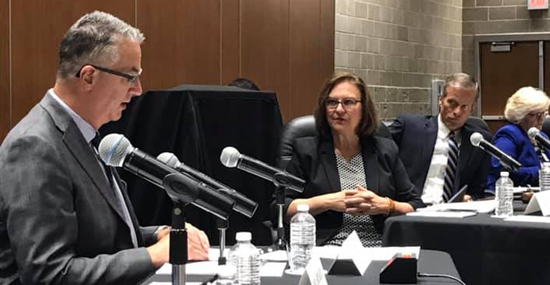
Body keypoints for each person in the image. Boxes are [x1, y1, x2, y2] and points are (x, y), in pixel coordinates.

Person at [0, 11, 209, 285]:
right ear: (88, 76)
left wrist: (160, 234)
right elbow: (49, 274)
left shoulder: (82, 135)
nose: (137, 90)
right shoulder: (35, 146)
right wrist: (153, 256)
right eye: (130, 77)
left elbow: (98, 238)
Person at [280, 72, 423, 247]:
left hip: (379, 247)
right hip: (327, 248)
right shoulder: (307, 151)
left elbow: (416, 205)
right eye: (332, 102)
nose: (339, 109)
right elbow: (281, 209)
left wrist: (386, 205)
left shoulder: (385, 150)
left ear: (364, 109)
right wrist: (329, 202)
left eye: (348, 102)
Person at [389, 73, 492, 205]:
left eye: (464, 107)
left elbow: (477, 189)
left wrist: (470, 198)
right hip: (412, 209)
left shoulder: (479, 141)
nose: (457, 112)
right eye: (452, 103)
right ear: (440, 100)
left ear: (472, 108)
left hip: (453, 215)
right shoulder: (409, 127)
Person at [486, 87, 550, 190]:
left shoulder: (542, 136)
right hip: (511, 197)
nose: (542, 119)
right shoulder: (509, 134)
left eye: (544, 113)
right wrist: (542, 172)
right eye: (536, 115)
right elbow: (503, 171)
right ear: (520, 115)